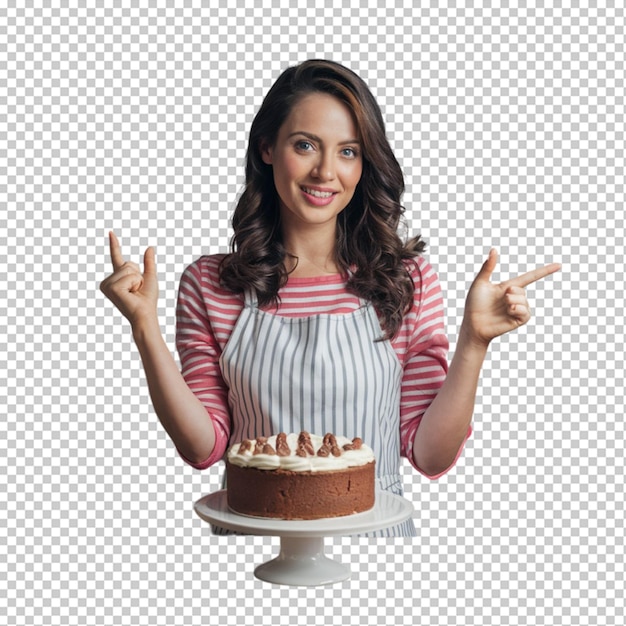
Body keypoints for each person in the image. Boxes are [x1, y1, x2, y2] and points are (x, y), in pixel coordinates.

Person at [100, 59, 560, 536]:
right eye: (305, 145)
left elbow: (429, 454)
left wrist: (474, 342)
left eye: (348, 152)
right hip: (255, 544)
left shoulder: (405, 279)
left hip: (373, 547)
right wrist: (144, 329)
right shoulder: (212, 283)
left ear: (365, 164)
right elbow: (203, 447)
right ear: (267, 148)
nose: (325, 172)